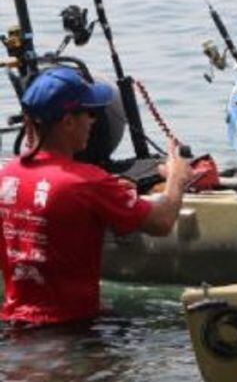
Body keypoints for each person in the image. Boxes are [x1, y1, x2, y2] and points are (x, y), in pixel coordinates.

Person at [0, 66, 191, 327]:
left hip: (15, 323)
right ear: (67, 122)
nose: (92, 121)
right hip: (72, 328)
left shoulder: (7, 175)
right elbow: (163, 221)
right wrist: (176, 178)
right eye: (89, 112)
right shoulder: (87, 182)